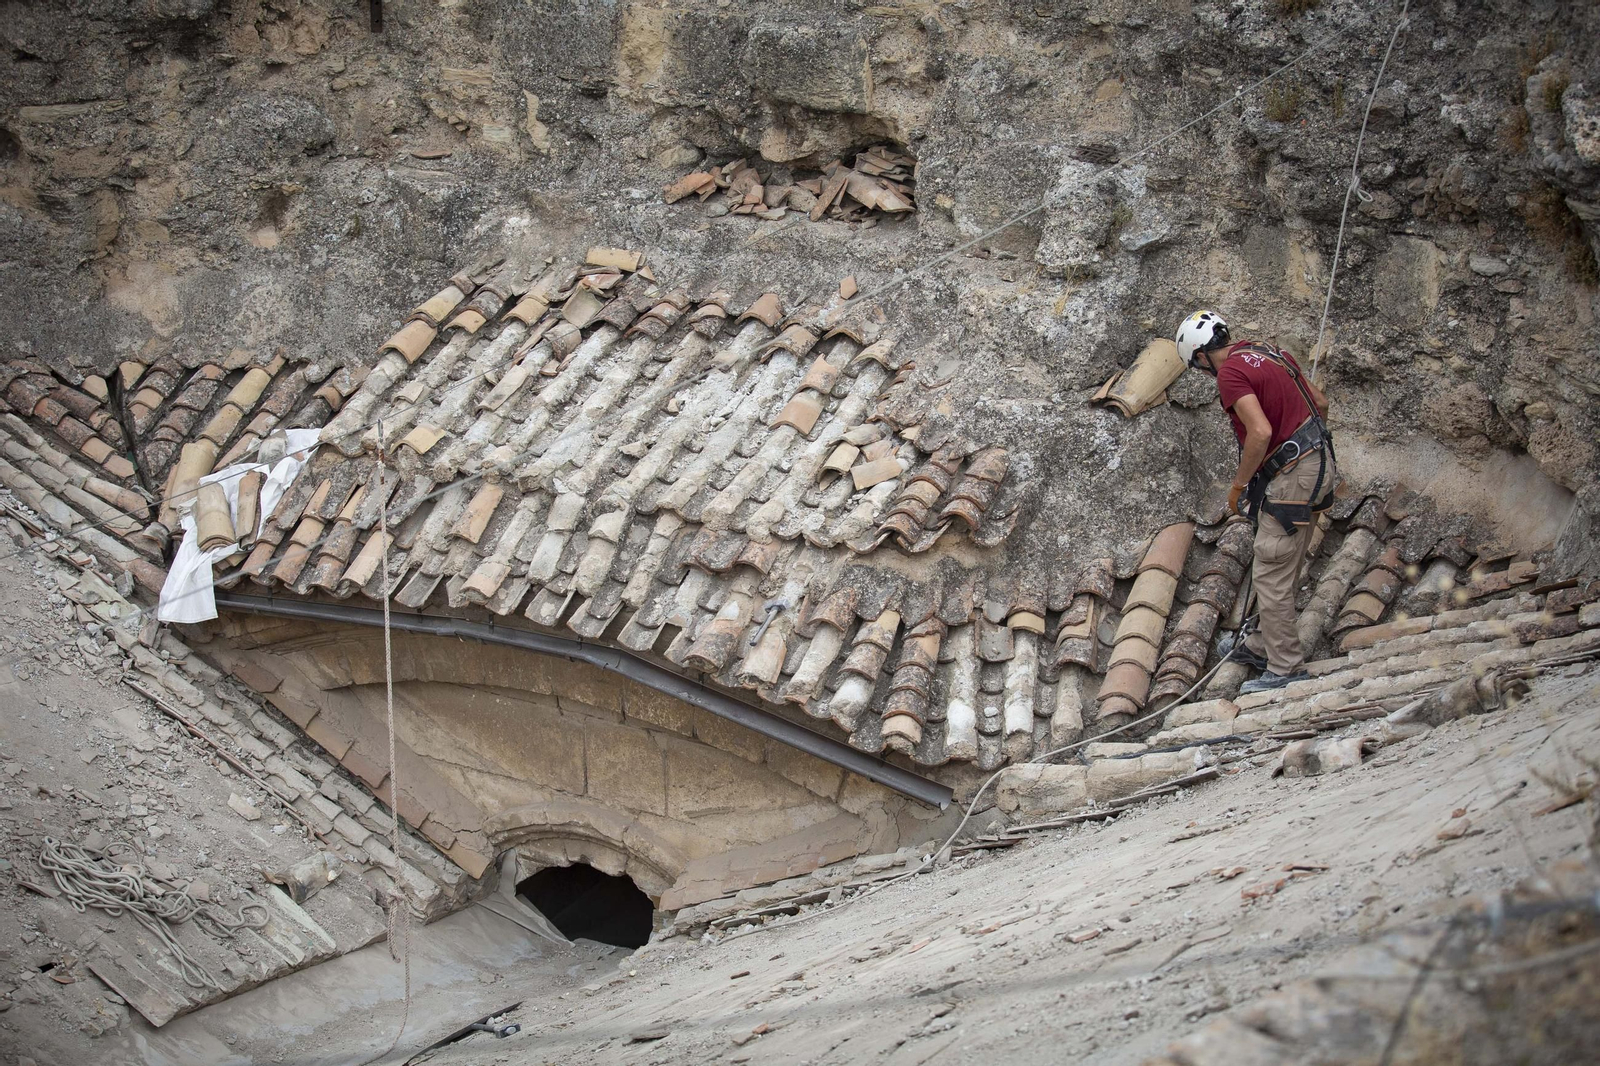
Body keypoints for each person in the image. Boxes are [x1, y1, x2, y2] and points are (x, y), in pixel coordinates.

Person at [1175, 310, 1338, 694]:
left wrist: (1241, 484)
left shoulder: (1230, 374)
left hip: (1295, 472)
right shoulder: (1270, 352)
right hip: (1318, 463)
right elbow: (1321, 403)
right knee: (1287, 559)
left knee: (1271, 566)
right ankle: (1263, 643)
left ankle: (1284, 667)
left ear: (1200, 357)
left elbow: (1260, 432)